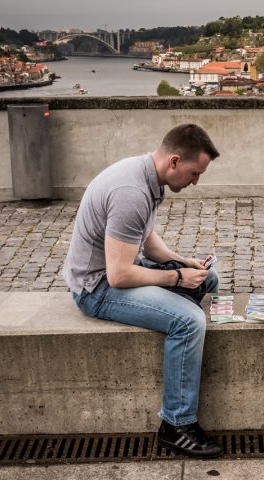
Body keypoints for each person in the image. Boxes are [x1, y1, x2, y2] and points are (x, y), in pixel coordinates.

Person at [63, 123, 224, 458]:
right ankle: (176, 426)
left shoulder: (148, 175)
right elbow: (119, 275)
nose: (196, 182)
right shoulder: (131, 192)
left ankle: (168, 302)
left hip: (115, 273)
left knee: (209, 279)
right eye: (195, 173)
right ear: (175, 161)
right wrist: (176, 279)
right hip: (96, 288)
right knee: (190, 321)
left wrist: (184, 263)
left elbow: (149, 245)